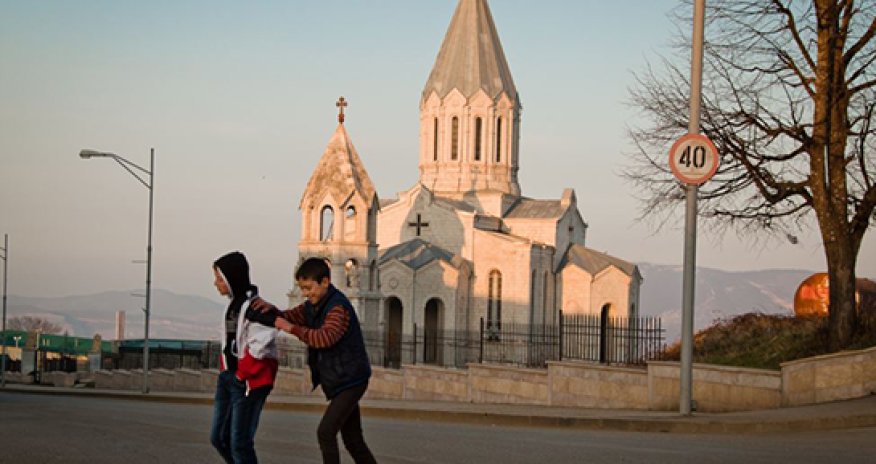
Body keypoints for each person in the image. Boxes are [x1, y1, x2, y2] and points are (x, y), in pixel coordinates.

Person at [248, 257, 377, 464]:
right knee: (353, 440)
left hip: (351, 380)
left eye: (309, 288)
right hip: (341, 380)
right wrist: (269, 309)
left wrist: (290, 329)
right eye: (302, 289)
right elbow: (287, 316)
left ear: (325, 281)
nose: (306, 294)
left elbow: (324, 338)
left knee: (326, 432)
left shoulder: (337, 307)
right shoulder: (312, 306)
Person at [210, 251, 279, 464]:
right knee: (219, 438)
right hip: (228, 378)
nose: (216, 283)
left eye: (220, 278)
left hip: (248, 382)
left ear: (232, 278)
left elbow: (262, 344)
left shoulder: (256, 308)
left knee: (239, 442)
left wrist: (242, 374)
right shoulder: (231, 306)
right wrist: (226, 371)